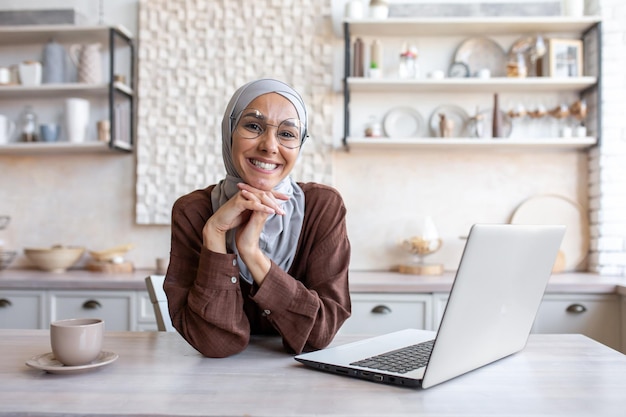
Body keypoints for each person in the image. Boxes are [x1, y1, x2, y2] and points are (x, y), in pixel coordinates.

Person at [164, 78, 352, 358]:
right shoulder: (193, 212)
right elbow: (215, 343)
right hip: (212, 387)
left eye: (287, 134)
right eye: (253, 126)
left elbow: (319, 335)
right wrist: (215, 233)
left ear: (299, 145)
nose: (269, 146)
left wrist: (252, 253)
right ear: (229, 132)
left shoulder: (323, 207)